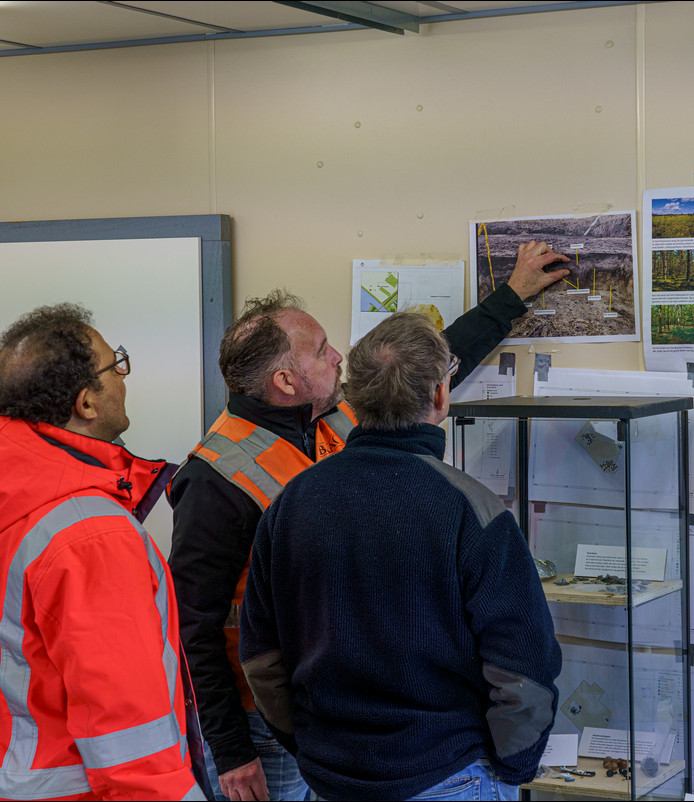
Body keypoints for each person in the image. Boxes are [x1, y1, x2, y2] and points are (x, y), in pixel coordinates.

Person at [167, 242, 569, 801]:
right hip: (271, 727)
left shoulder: (337, 414)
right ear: (286, 381)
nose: (338, 357)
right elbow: (194, 628)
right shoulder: (215, 479)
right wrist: (232, 751)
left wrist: (509, 296)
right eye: (322, 349)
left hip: (332, 733)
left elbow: (420, 369)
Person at [0, 304, 208, 801]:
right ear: (86, 405)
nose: (122, 374)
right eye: (113, 364)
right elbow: (131, 738)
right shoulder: (90, 534)